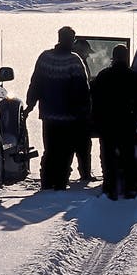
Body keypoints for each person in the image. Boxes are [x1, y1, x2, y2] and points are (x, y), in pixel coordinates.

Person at [26, 26, 91, 190]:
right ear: (70, 40)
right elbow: (82, 90)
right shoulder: (74, 61)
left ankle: (47, 182)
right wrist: (85, 111)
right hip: (69, 117)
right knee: (66, 151)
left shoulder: (44, 58)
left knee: (50, 150)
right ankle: (60, 183)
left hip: (48, 115)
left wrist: (30, 104)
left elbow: (36, 83)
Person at [89, 43, 137, 200]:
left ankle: (110, 187)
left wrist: (97, 119)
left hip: (107, 123)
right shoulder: (134, 76)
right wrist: (133, 110)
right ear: (126, 57)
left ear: (113, 57)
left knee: (108, 156)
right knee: (128, 155)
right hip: (127, 122)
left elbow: (94, 98)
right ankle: (131, 187)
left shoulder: (103, 76)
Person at [71, 38, 96, 183]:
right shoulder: (76, 62)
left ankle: (84, 173)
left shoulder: (80, 62)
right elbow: (83, 87)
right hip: (77, 112)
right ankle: (84, 174)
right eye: (86, 53)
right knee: (81, 145)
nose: (87, 55)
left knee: (82, 145)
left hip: (75, 111)